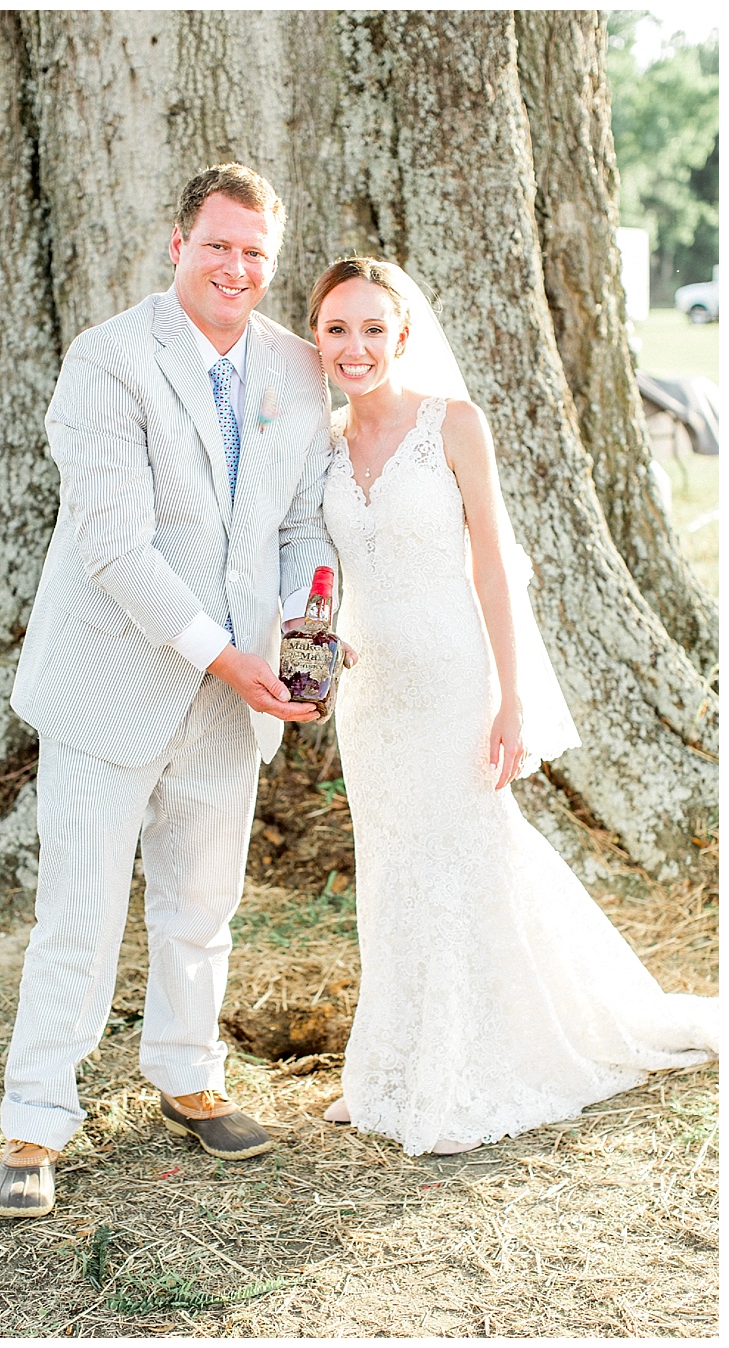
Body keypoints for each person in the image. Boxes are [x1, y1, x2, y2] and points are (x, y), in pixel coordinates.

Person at [310, 257, 718, 1155]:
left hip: (455, 682)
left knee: (466, 860)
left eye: (373, 328)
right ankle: (390, 1064)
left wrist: (511, 697)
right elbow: (316, 563)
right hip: (370, 695)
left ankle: (471, 1067)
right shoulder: (322, 441)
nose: (355, 346)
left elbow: (494, 565)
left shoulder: (454, 424)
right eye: (337, 328)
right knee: (391, 868)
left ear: (402, 336)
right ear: (317, 337)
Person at [0, 164, 340, 1218]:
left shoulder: (297, 366)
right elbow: (114, 545)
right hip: (113, 679)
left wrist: (306, 635)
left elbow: (304, 523)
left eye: (255, 252)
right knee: (80, 912)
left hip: (236, 698)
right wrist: (224, 655)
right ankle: (34, 1118)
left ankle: (189, 1075)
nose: (236, 267)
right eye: (218, 245)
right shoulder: (109, 360)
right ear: (179, 244)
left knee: (201, 905)